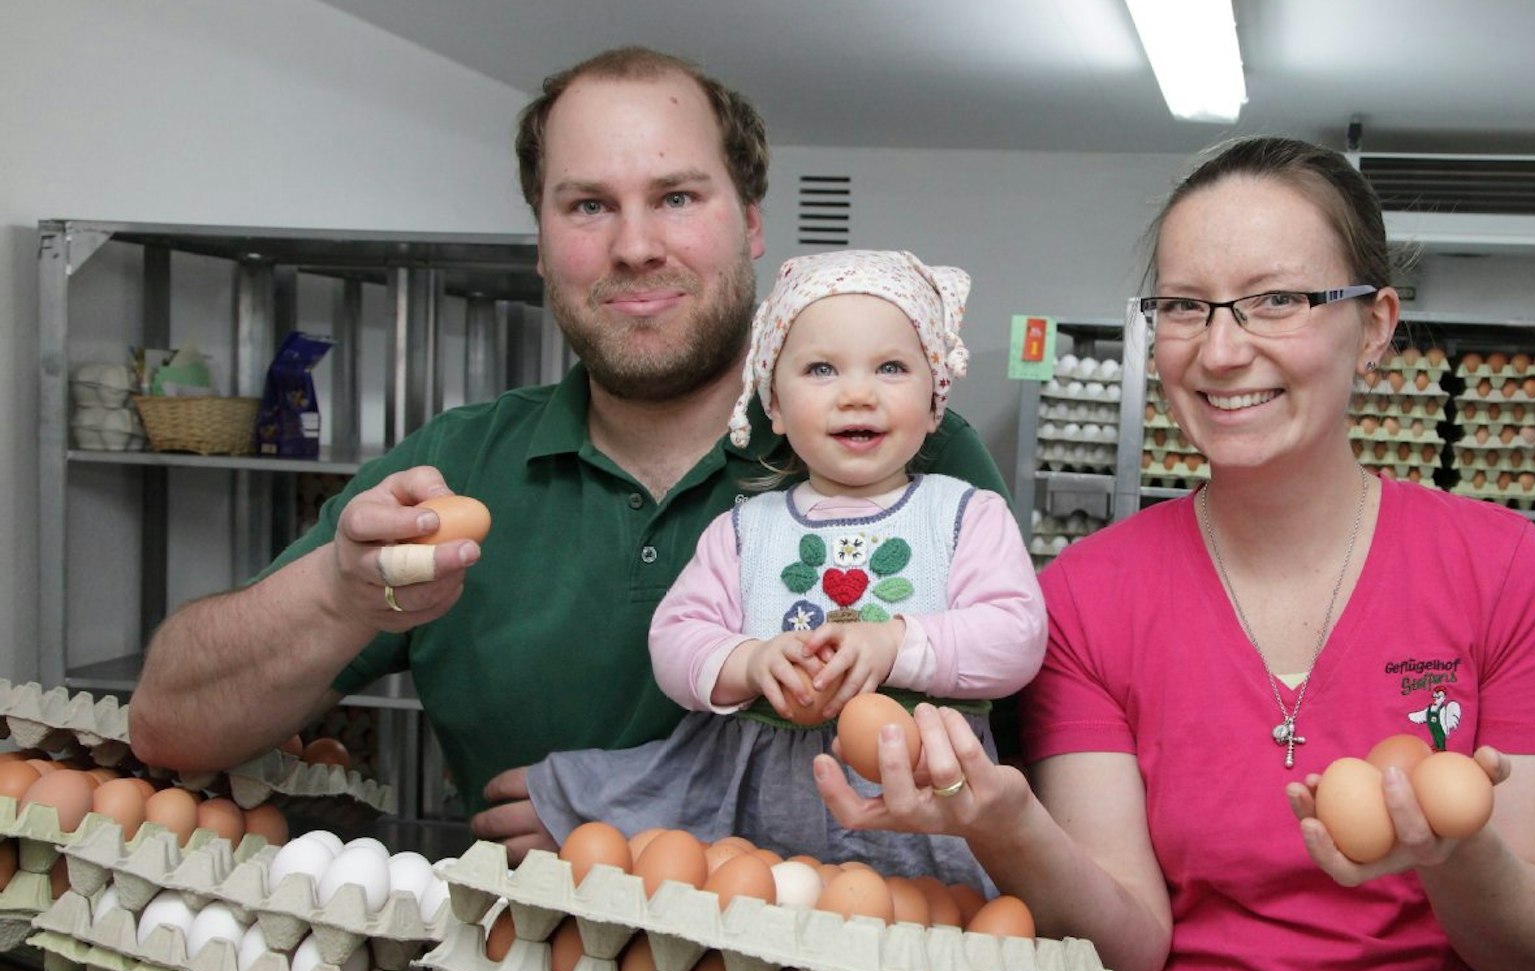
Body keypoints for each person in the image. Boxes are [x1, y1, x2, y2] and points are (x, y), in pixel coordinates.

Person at [815, 136, 1535, 971]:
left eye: (1275, 300)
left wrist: (1456, 856)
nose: (1221, 349)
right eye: (1184, 306)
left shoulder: (1500, 570)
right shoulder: (1090, 596)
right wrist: (1006, 825)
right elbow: (1130, 967)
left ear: (1373, 326)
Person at [124, 48, 1010, 862]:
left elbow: (1021, 793)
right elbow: (169, 725)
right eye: (589, 205)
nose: (634, 246)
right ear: (542, 247)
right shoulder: (461, 464)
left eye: (676, 197)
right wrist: (340, 591)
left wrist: (645, 826)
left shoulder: (911, 466)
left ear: (749, 224)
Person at [524, 249, 1044, 885]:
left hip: (915, 804)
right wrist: (748, 662)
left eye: (891, 367)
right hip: (752, 799)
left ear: (935, 403)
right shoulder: (746, 530)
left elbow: (1017, 637)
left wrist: (894, 645)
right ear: (773, 403)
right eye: (822, 369)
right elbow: (675, 636)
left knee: (917, 930)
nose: (858, 393)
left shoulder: (966, 515)